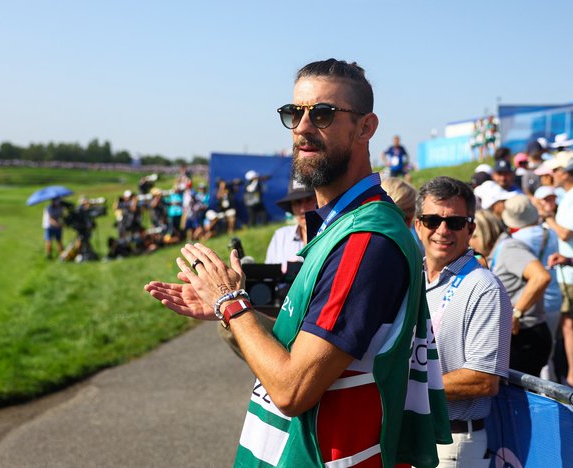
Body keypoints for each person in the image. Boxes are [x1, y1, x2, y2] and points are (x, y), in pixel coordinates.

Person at [145, 58, 450, 467]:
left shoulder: (364, 238)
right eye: (294, 113)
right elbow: (305, 349)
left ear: (365, 127)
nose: (303, 127)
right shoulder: (342, 227)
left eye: (323, 114)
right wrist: (235, 312)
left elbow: (293, 388)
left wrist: (232, 304)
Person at [414, 176, 512, 467]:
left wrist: (405, 388)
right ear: (418, 225)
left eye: (455, 223)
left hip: (452, 443)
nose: (442, 231)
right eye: (432, 221)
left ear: (470, 229)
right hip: (416, 433)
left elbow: (483, 381)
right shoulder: (415, 278)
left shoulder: (484, 287)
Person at [492, 195, 552, 377]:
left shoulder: (511, 244)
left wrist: (516, 313)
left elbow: (541, 277)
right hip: (540, 316)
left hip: (526, 330)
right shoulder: (547, 231)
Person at [538, 154, 573, 385]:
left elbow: (565, 233)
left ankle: (571, 376)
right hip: (567, 271)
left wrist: (548, 218)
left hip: (569, 273)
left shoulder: (570, 198)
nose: (552, 177)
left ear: (566, 172)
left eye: (555, 171)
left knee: (568, 325)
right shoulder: (567, 197)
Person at [265, 177, 317, 266]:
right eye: (297, 202)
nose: (303, 209)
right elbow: (268, 277)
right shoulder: (281, 236)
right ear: (291, 207)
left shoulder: (332, 235)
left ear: (320, 201)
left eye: (309, 200)